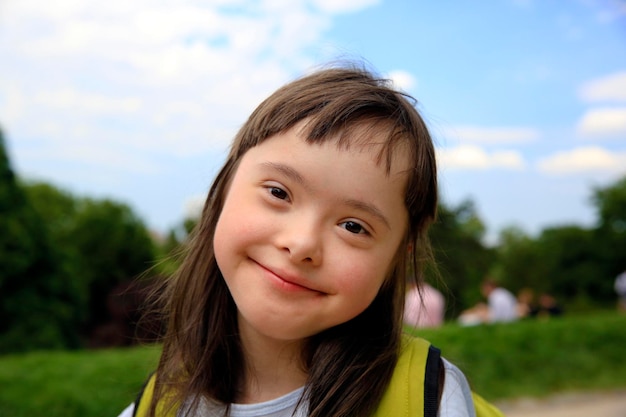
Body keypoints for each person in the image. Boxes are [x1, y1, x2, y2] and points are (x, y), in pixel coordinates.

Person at [118, 66, 502, 417]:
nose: (301, 244)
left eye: (353, 226)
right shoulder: (159, 403)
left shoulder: (431, 401)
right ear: (224, 188)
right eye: (278, 193)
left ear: (396, 259)